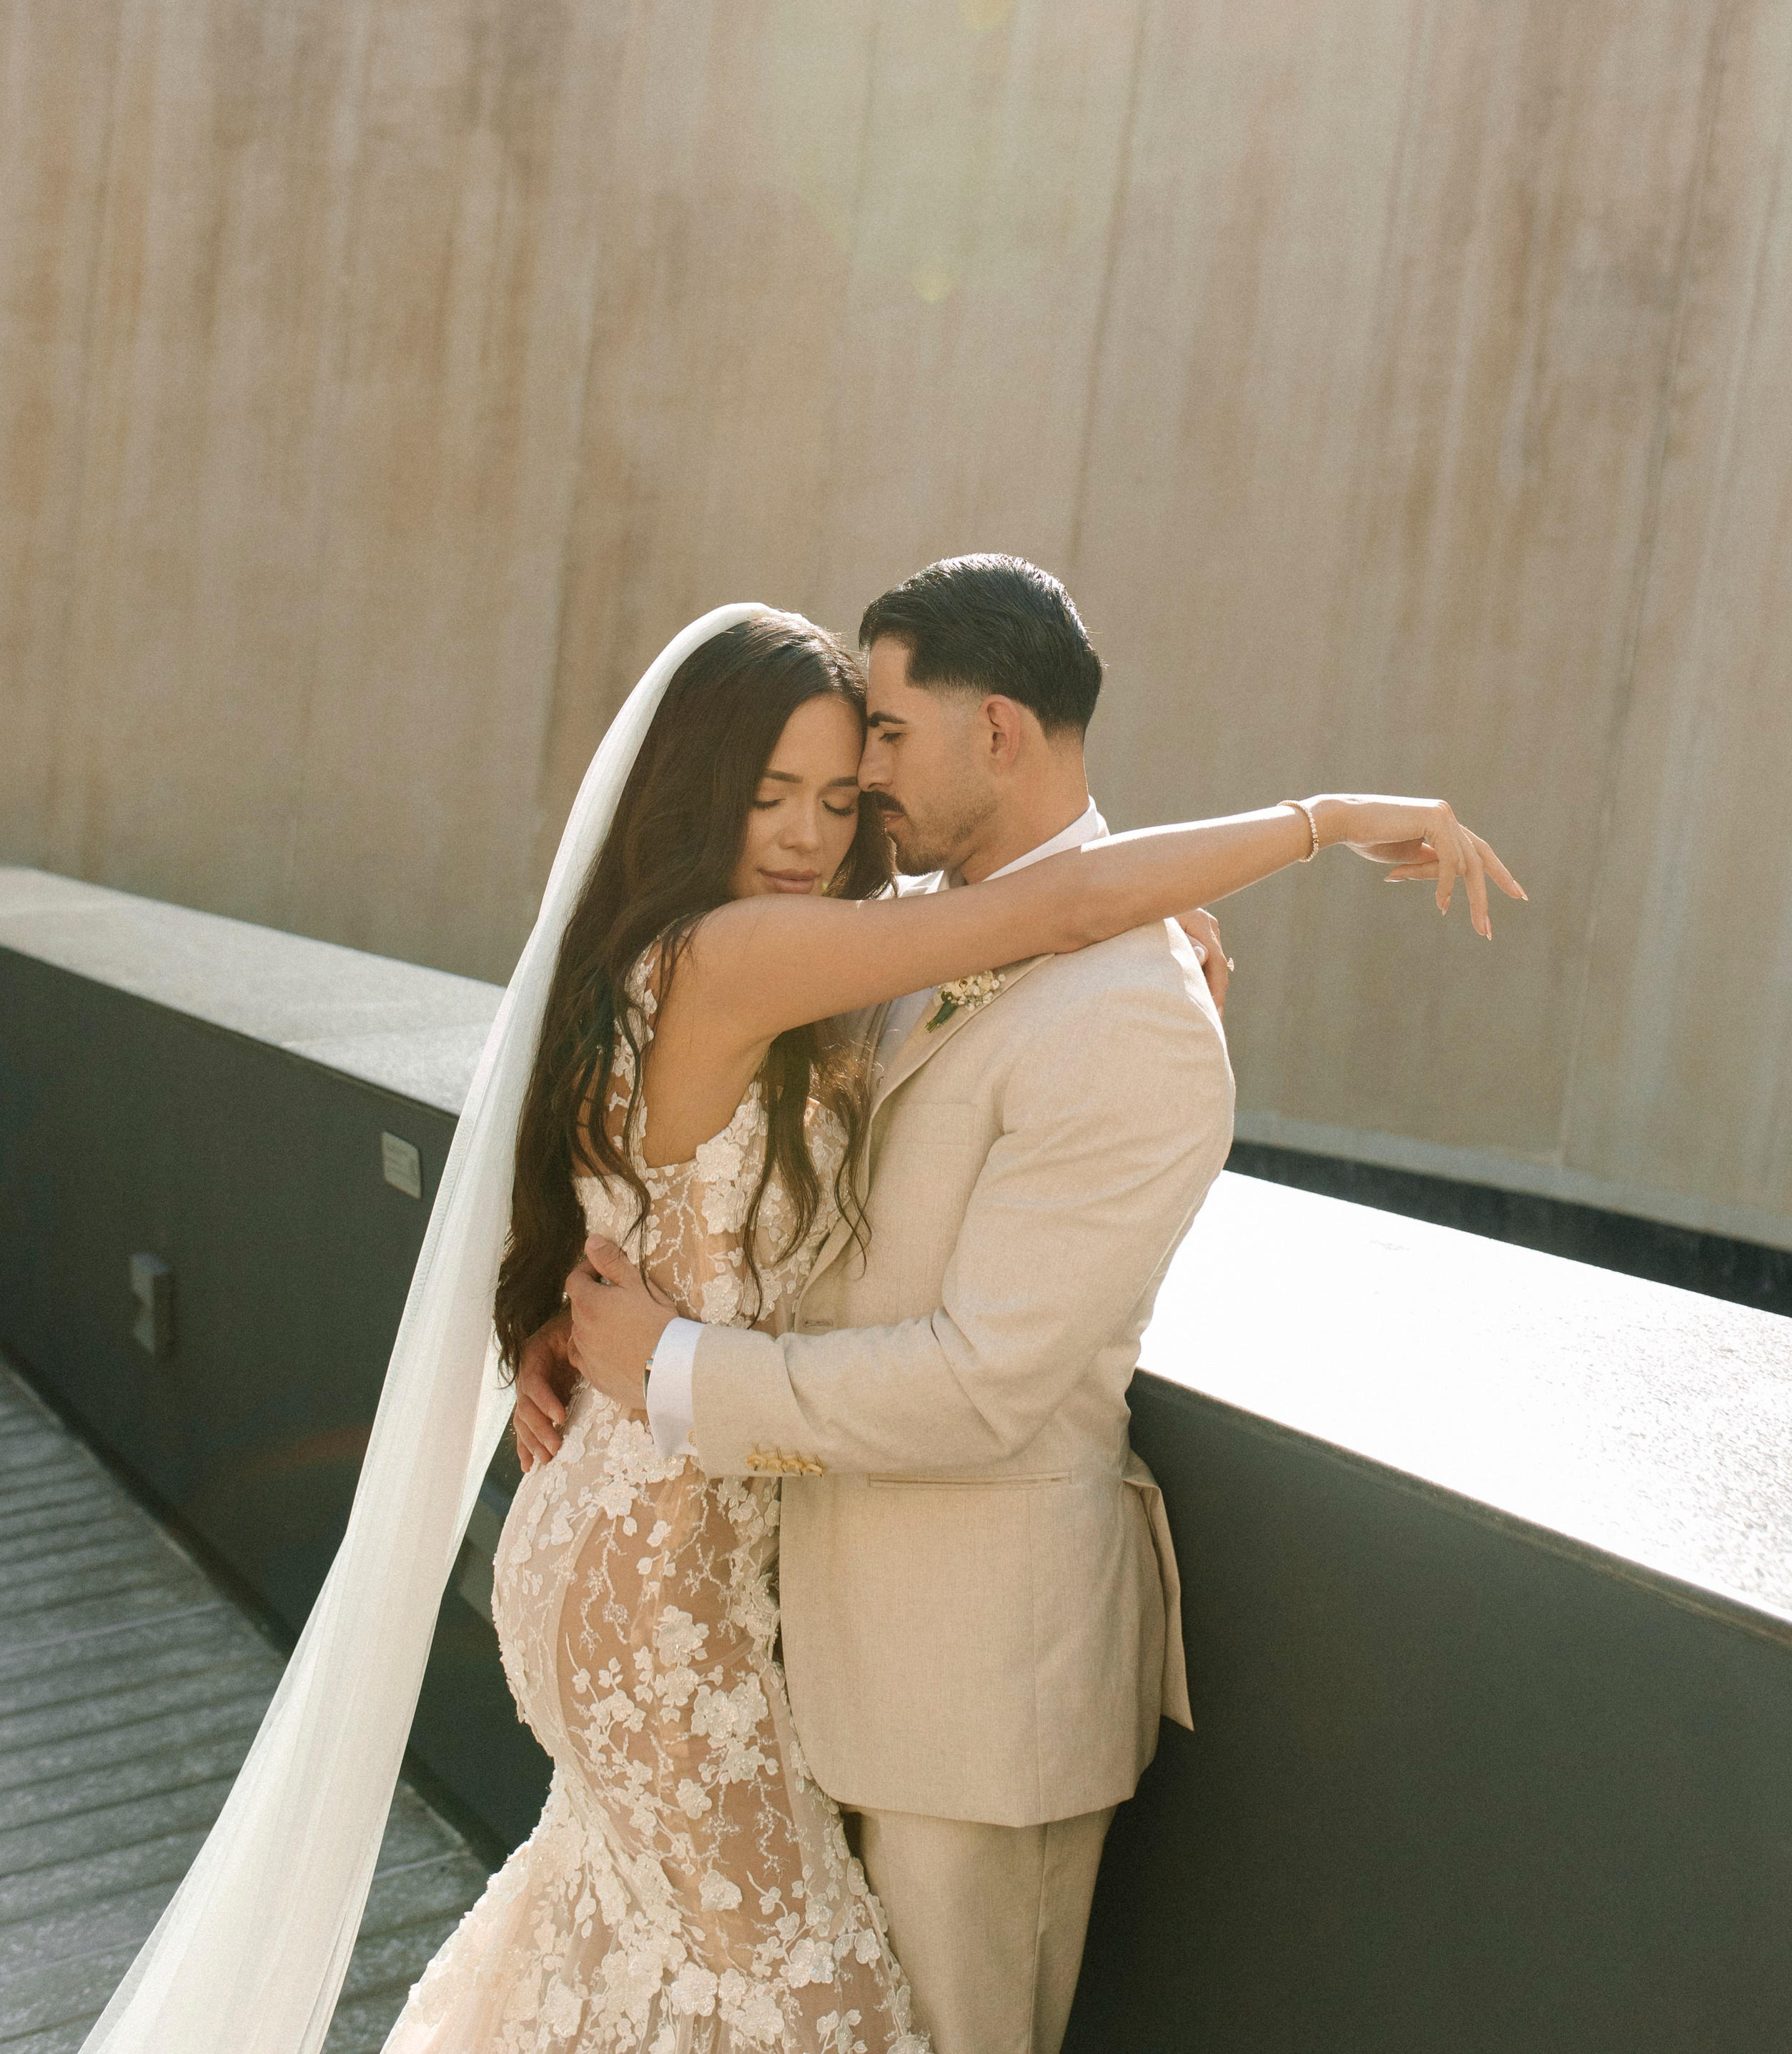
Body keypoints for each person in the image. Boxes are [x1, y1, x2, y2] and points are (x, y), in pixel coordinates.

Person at [441, 558, 1523, 2054]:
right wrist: (623, 1335)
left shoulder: (1129, 1003)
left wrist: (666, 1354)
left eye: (875, 744)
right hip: (745, 1614)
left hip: (964, 1692)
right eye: (796, 779)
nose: (846, 801)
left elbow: (980, 1380)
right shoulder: (843, 936)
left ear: (995, 731)